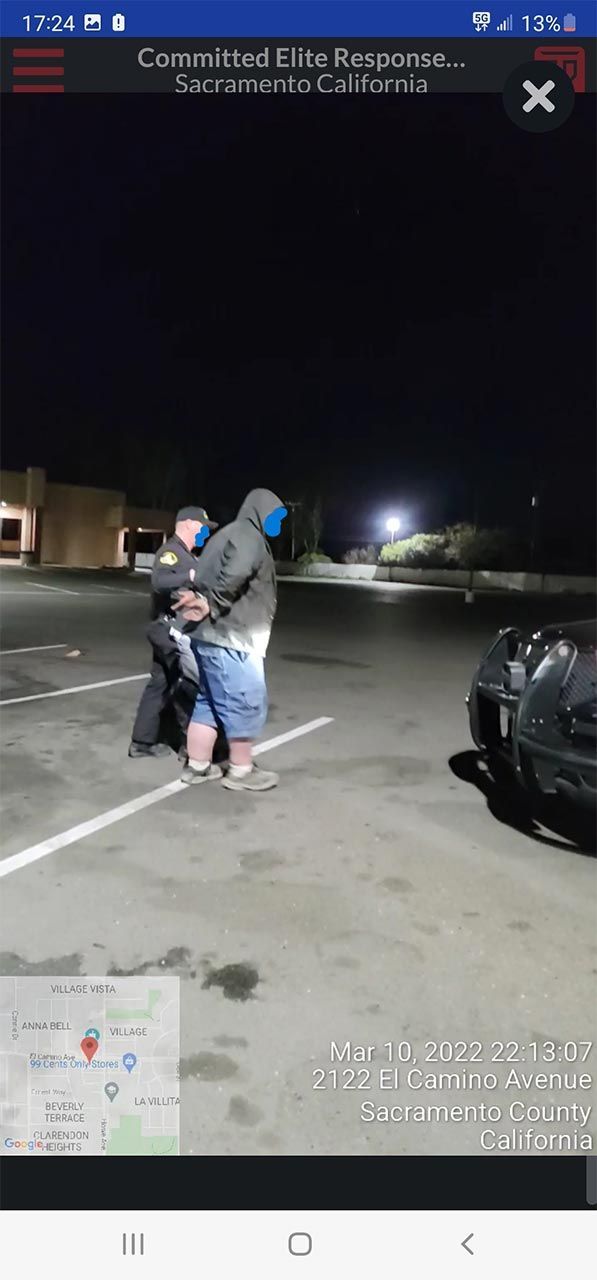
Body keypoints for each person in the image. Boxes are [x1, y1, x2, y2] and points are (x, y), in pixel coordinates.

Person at [172, 488, 287, 791]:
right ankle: (241, 770)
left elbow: (206, 577)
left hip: (208, 637)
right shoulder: (249, 537)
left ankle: (198, 767)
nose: (279, 523)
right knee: (244, 701)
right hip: (232, 638)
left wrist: (205, 602)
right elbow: (234, 576)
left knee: (208, 701)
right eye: (276, 516)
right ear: (260, 511)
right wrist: (212, 603)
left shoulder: (225, 534)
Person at [128, 505, 217, 757]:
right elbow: (159, 581)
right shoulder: (171, 552)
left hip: (169, 629)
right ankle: (191, 747)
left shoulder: (187, 554)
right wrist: (190, 573)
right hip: (168, 630)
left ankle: (142, 742)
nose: (205, 534)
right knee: (191, 684)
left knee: (160, 683)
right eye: (203, 528)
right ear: (189, 524)